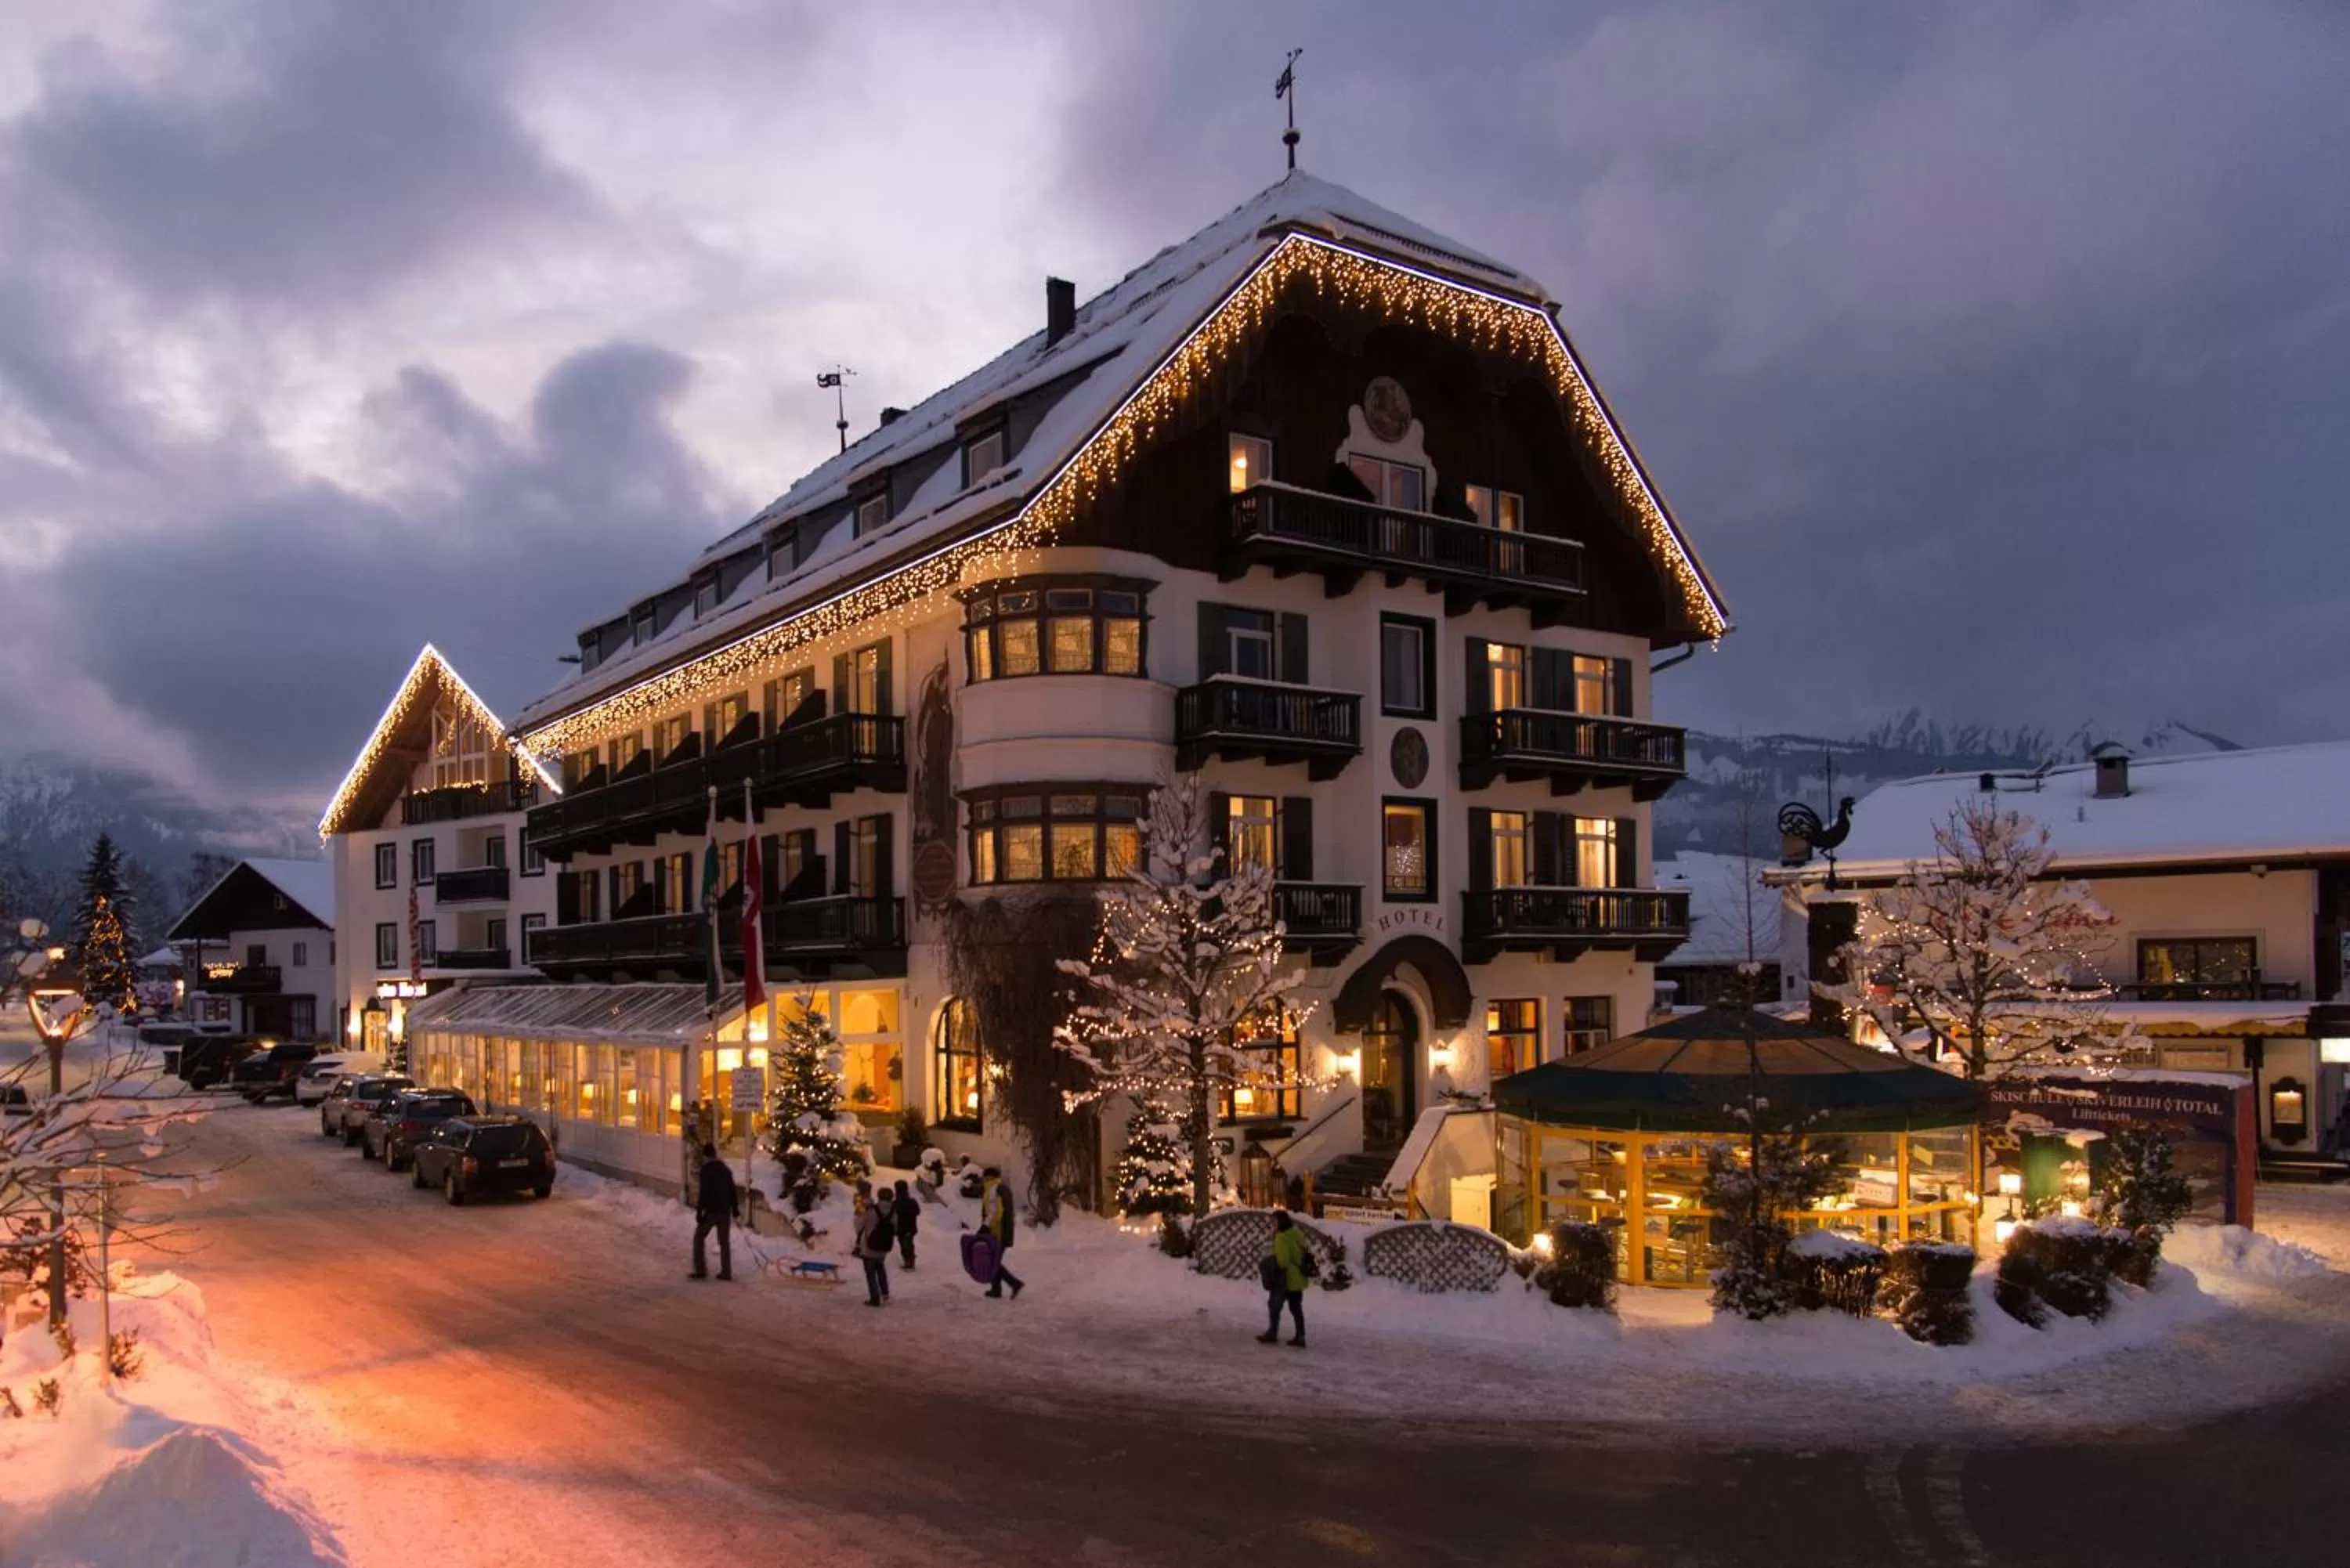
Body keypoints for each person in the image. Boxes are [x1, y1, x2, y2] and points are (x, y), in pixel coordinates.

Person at [1258, 1209, 1309, 1347]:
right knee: (1296, 1308)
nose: (1272, 1225)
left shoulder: (1281, 1238)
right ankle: (1301, 1335)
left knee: (1274, 1305)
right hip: (1298, 1277)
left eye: (1274, 1222)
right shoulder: (1297, 1235)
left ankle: (1272, 1333)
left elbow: (1283, 1261)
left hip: (1285, 1278)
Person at [691, 1142, 739, 1281]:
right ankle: (726, 1272)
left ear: (706, 1156)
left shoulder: (706, 1170)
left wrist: (700, 1211)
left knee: (699, 1236)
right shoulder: (726, 1170)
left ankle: (700, 1270)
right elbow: (732, 1190)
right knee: (724, 1242)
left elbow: (704, 1193)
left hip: (712, 1211)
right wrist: (735, 1209)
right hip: (725, 1211)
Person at [980, 1166, 1024, 1299]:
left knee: (992, 1262)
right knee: (993, 1261)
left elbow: (995, 1212)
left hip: (996, 1233)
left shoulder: (993, 1190)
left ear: (988, 1177)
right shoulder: (1003, 1189)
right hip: (1004, 1231)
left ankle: (1014, 1283)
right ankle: (996, 1289)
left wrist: (986, 1227)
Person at [854, 1184, 895, 1306]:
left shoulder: (871, 1211)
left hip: (869, 1246)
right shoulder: (893, 1212)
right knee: (881, 1268)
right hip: (884, 1247)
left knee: (871, 1273)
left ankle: (875, 1298)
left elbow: (859, 1226)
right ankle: (885, 1292)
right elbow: (896, 1228)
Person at [891, 1180, 921, 1270]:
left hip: (901, 1228)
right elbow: (918, 1212)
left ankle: (908, 1261)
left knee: (904, 1245)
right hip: (911, 1227)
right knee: (909, 1243)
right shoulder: (912, 1201)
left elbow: (892, 1215)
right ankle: (910, 1260)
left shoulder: (895, 1203)